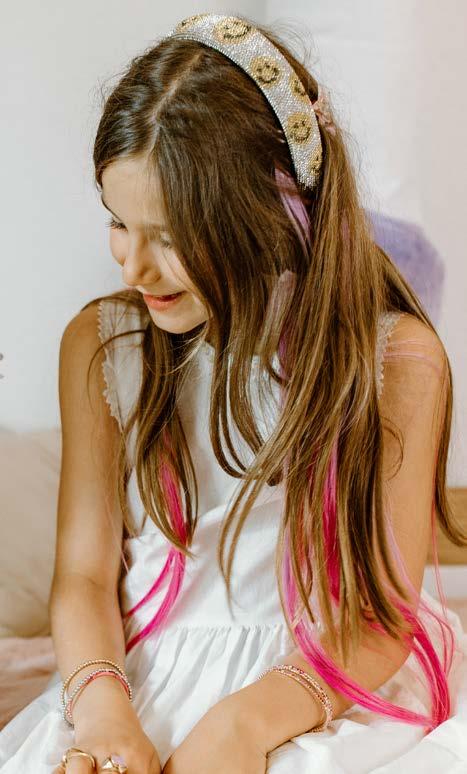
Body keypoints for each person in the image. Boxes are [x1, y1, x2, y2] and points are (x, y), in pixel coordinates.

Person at [1, 11, 467, 774]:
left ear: (267, 215)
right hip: (130, 678)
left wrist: (244, 727)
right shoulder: (102, 348)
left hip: (320, 685)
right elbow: (82, 577)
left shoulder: (395, 362)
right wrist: (103, 709)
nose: (131, 267)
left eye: (169, 237)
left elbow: (380, 614)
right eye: (118, 223)